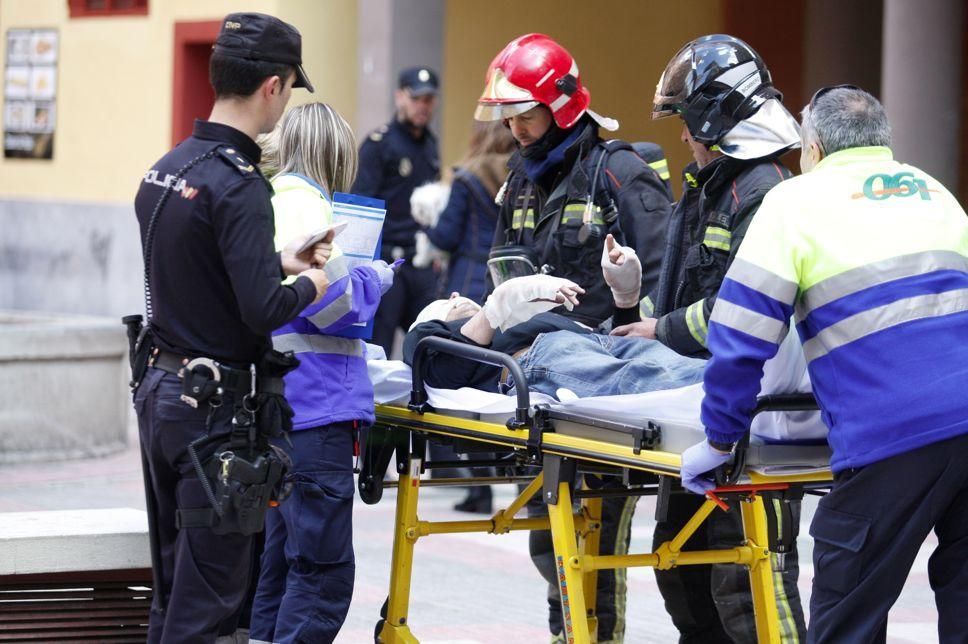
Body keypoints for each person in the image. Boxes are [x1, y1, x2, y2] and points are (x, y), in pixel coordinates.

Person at [683, 85, 968, 644]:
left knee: (848, 613)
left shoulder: (795, 204)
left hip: (893, 435)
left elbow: (741, 336)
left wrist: (719, 439)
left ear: (812, 147)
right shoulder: (935, 191)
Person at [131, 13, 329, 642]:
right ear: (273, 85)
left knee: (172, 590)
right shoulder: (240, 185)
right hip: (214, 420)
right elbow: (263, 310)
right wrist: (312, 283)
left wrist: (275, 261)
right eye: (292, 86)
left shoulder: (171, 166)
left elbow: (201, 272)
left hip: (163, 398)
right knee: (211, 602)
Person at [622, 34, 807, 643]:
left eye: (686, 123)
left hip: (749, 417)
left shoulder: (766, 194)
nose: (681, 137)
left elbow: (743, 311)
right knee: (681, 569)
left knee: (747, 582)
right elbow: (680, 293)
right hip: (696, 411)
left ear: (714, 116)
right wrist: (632, 305)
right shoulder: (710, 188)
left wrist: (660, 329)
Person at [249, 103, 394, 643]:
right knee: (321, 575)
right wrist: (374, 277)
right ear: (335, 153)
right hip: (318, 410)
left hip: (276, 408)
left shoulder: (267, 200)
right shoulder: (312, 207)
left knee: (280, 569)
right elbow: (333, 307)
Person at [475, 33, 671, 329]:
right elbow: (497, 280)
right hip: (521, 354)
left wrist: (618, 337)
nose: (516, 130)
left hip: (597, 357)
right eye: (508, 119)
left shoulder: (619, 174)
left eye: (525, 116)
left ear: (560, 108)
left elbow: (660, 279)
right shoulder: (519, 183)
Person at [353, 66, 441, 355]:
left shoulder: (430, 145)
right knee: (379, 346)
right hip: (389, 262)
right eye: (416, 98)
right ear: (400, 97)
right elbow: (362, 205)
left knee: (431, 342)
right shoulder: (379, 145)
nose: (422, 106)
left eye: (428, 100)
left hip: (422, 263)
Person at [412, 120, 517, 304]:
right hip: (507, 280)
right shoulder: (520, 175)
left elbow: (445, 237)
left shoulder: (467, 177)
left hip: (468, 281)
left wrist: (426, 226)